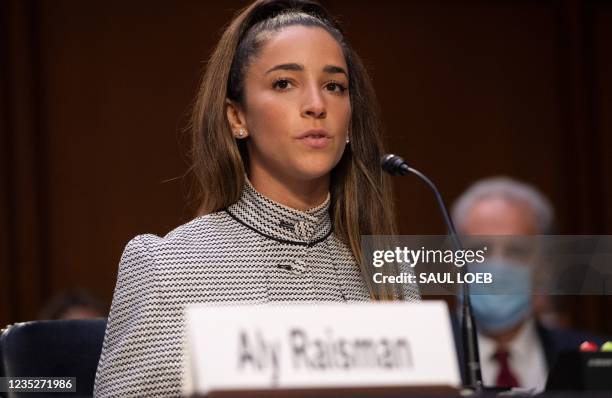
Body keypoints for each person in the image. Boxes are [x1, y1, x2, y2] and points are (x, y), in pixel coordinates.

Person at [93, 0, 419, 396]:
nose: (317, 105)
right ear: (237, 117)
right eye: (284, 83)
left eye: (334, 86)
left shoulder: (391, 271)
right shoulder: (164, 269)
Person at [451, 176, 602, 392]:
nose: (497, 267)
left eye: (516, 251)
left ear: (544, 266)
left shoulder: (594, 361)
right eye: (479, 250)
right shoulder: (423, 357)